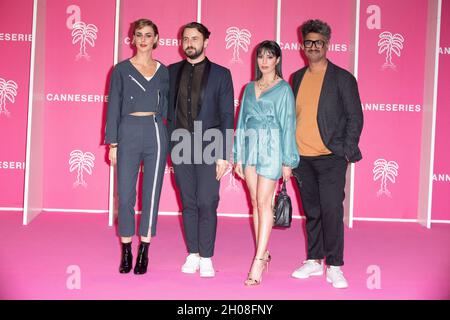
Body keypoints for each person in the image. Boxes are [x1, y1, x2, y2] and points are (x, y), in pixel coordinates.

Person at [290, 19, 363, 289]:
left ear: (327, 45)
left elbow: (356, 117)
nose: (312, 47)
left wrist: (344, 150)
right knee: (312, 211)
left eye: (318, 43)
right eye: (308, 42)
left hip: (331, 157)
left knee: (331, 209)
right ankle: (313, 259)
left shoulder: (343, 78)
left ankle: (334, 265)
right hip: (302, 159)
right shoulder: (296, 78)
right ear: (302, 45)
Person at [167, 22, 234, 277]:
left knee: (207, 201)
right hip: (180, 145)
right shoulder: (171, 71)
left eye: (195, 38)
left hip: (210, 146)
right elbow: (166, 112)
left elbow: (228, 114)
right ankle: (193, 253)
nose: (189, 43)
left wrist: (223, 153)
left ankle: (207, 256)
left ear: (206, 42)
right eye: (185, 38)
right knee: (189, 202)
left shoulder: (221, 74)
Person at [105, 19, 169, 275]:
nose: (143, 39)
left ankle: (145, 248)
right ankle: (127, 249)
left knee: (151, 194)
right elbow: (113, 109)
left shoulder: (164, 71)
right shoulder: (120, 70)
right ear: (132, 39)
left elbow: (166, 108)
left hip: (155, 131)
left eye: (148, 35)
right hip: (128, 131)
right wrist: (113, 143)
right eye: (138, 34)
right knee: (126, 195)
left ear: (156, 39)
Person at [234, 40, 299, 286]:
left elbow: (288, 125)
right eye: (261, 56)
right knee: (255, 202)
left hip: (273, 148)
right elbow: (241, 122)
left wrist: (288, 161)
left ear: (277, 60)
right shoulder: (249, 88)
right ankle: (265, 251)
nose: (264, 61)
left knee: (264, 202)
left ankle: (259, 260)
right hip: (250, 146)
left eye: (269, 57)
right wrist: (238, 154)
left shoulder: (284, 90)